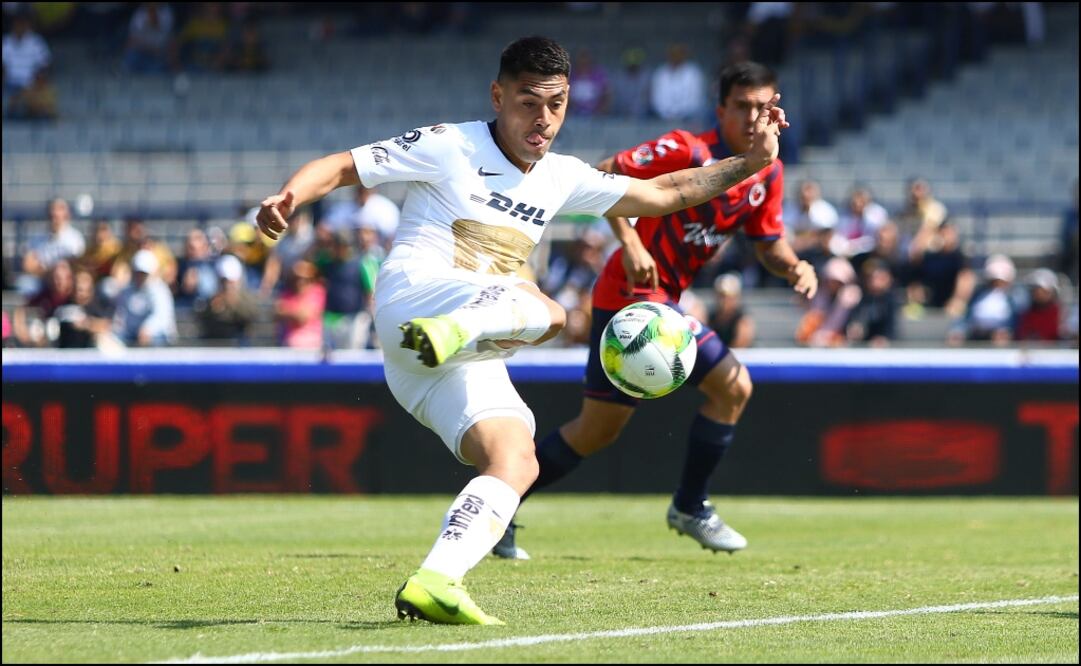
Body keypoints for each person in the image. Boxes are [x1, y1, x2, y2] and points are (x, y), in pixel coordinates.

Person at [255, 37, 789, 626]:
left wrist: (753, 163)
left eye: (556, 105)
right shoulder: (450, 144)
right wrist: (290, 196)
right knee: (552, 311)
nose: (543, 120)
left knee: (517, 458)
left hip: (440, 356)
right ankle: (457, 326)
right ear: (498, 94)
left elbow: (665, 192)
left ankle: (436, 579)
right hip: (416, 301)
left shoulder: (560, 176)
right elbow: (341, 166)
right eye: (529, 103)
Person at [491, 60, 814, 562]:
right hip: (629, 295)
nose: (754, 118)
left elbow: (768, 242)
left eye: (763, 107)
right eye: (744, 107)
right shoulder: (687, 149)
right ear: (722, 109)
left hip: (666, 302)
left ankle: (499, 507)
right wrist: (632, 241)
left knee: (596, 431)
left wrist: (794, 267)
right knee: (732, 384)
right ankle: (688, 506)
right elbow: (604, 172)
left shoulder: (766, 171)